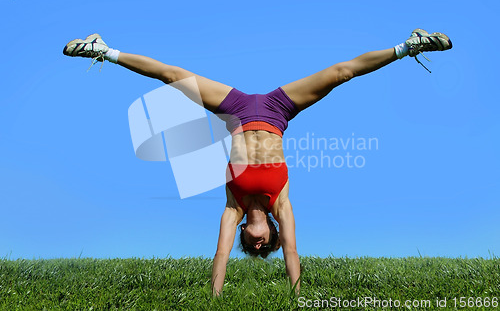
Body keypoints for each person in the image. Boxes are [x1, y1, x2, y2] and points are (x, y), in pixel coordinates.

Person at [63, 29, 452, 295]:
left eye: (254, 248)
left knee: (173, 76)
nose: (260, 243)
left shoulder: (232, 208)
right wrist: (296, 296)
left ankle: (103, 50)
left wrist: (214, 297)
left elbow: (219, 253)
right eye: (267, 246)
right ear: (273, 237)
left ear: (247, 239)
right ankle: (409, 45)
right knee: (340, 73)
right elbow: (294, 252)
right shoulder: (281, 203)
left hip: (235, 110)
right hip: (277, 110)